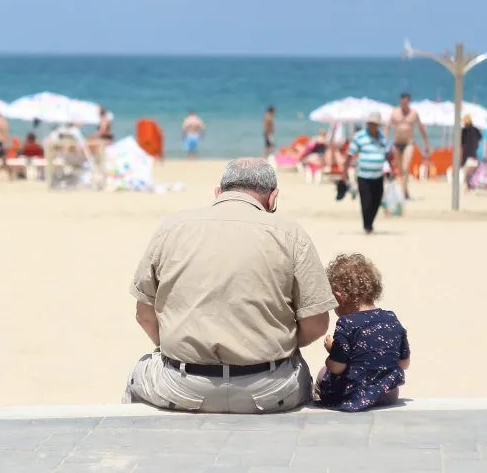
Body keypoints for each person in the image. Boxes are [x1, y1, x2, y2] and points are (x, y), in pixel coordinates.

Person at [122, 158, 337, 413]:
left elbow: (143, 314)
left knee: (138, 374)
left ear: (218, 193)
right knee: (305, 377)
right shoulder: (291, 234)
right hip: (269, 388)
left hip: (182, 386)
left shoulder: (173, 227)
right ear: (273, 198)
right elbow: (317, 323)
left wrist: (174, 346)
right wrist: (278, 345)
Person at [315, 253, 410, 412]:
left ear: (339, 297)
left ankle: (321, 399)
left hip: (354, 393)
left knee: (322, 373)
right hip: (388, 393)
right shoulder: (391, 318)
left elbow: (337, 367)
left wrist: (333, 352)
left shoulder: (347, 323)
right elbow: (403, 363)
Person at [342, 112, 392, 234]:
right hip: (363, 175)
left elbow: (389, 155)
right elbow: (350, 155)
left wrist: (392, 169)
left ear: (378, 125)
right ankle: (367, 225)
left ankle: (369, 223)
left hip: (378, 175)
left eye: (374, 124)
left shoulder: (382, 139)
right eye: (370, 124)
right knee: (366, 201)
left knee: (377, 199)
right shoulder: (360, 137)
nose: (372, 126)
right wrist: (344, 172)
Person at [385, 93, 430, 199]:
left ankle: (402, 193)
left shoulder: (414, 114)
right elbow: (387, 127)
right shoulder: (395, 113)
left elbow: (421, 127)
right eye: (402, 102)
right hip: (396, 144)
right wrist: (384, 141)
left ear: (408, 102)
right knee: (400, 170)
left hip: (408, 143)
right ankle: (405, 190)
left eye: (405, 102)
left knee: (405, 168)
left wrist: (426, 143)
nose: (403, 104)